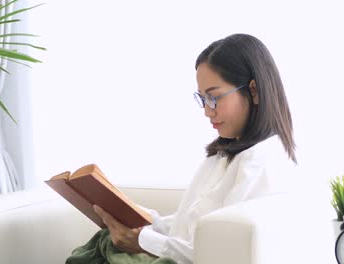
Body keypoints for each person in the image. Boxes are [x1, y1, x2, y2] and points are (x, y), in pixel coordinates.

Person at [66, 33, 297, 264]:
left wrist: (143, 242)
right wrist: (136, 219)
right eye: (203, 98)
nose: (207, 111)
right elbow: (185, 228)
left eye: (214, 97)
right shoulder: (221, 157)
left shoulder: (261, 163)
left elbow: (217, 252)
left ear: (254, 91)